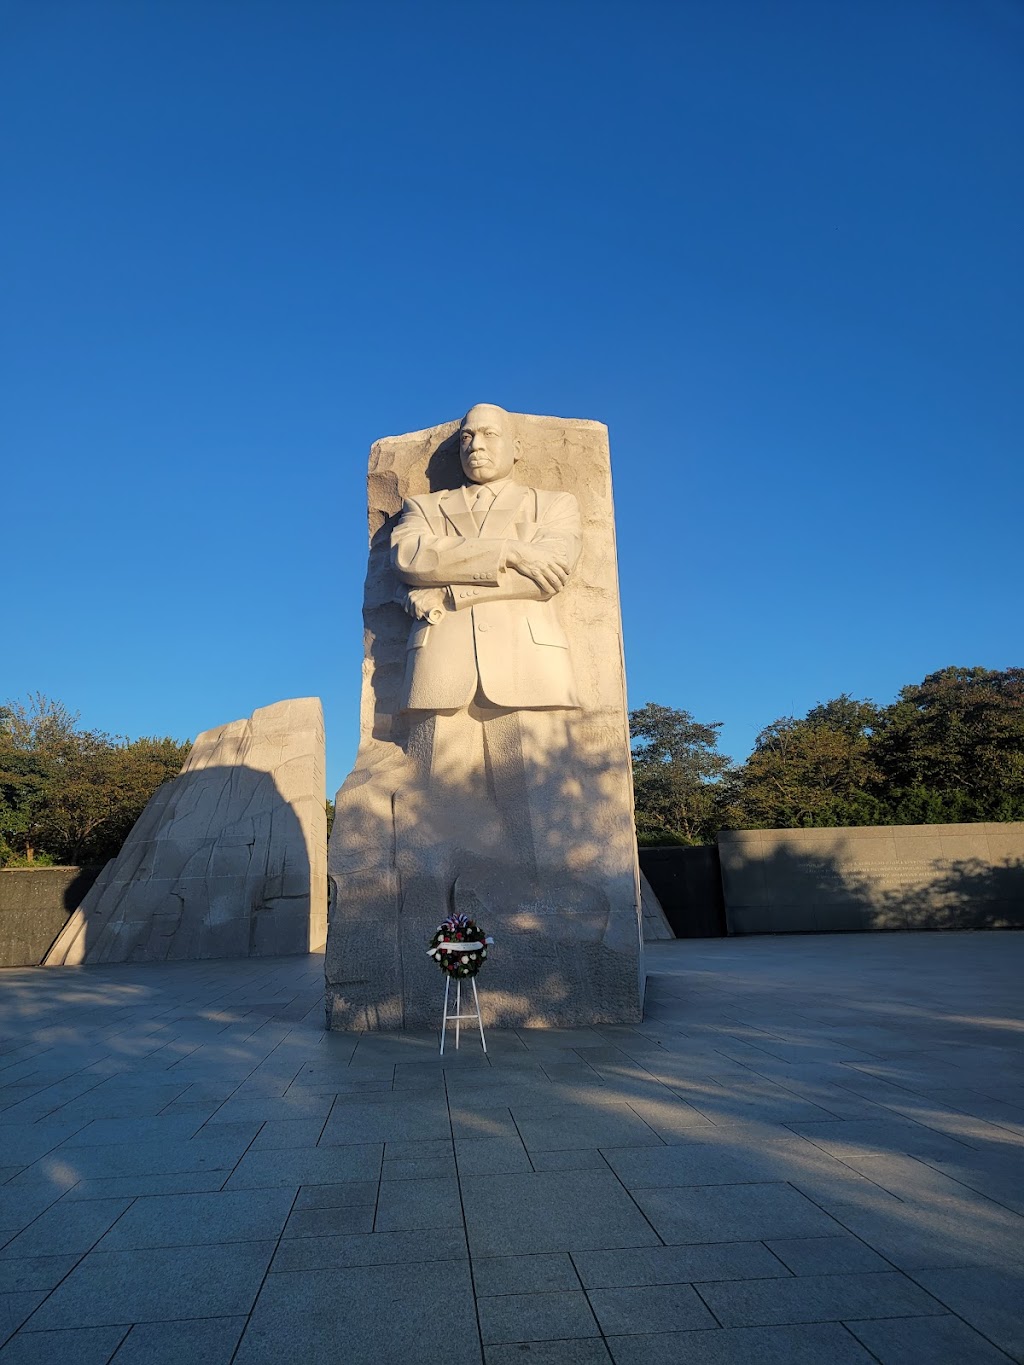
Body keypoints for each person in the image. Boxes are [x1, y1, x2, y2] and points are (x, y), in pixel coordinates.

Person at [390, 403, 583, 861]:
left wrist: (450, 592)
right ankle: (433, 918)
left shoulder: (553, 504)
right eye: (466, 437)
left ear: (517, 447)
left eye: (489, 435)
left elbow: (547, 576)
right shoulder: (424, 506)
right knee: (431, 816)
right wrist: (509, 549)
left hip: (528, 668)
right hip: (440, 666)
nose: (475, 445)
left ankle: (546, 909)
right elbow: (410, 558)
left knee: (540, 817)